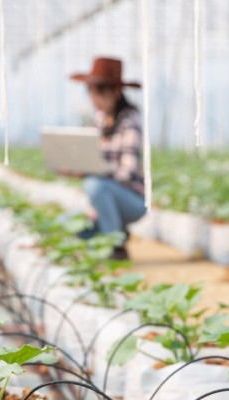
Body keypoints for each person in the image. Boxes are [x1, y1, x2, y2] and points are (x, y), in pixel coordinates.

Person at [69, 57, 146, 260]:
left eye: (100, 93)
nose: (95, 99)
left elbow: (127, 171)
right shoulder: (98, 120)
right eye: (91, 92)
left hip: (132, 200)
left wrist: (97, 172)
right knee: (66, 224)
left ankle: (116, 246)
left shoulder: (130, 121)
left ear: (117, 92)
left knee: (94, 184)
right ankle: (115, 228)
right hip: (103, 197)